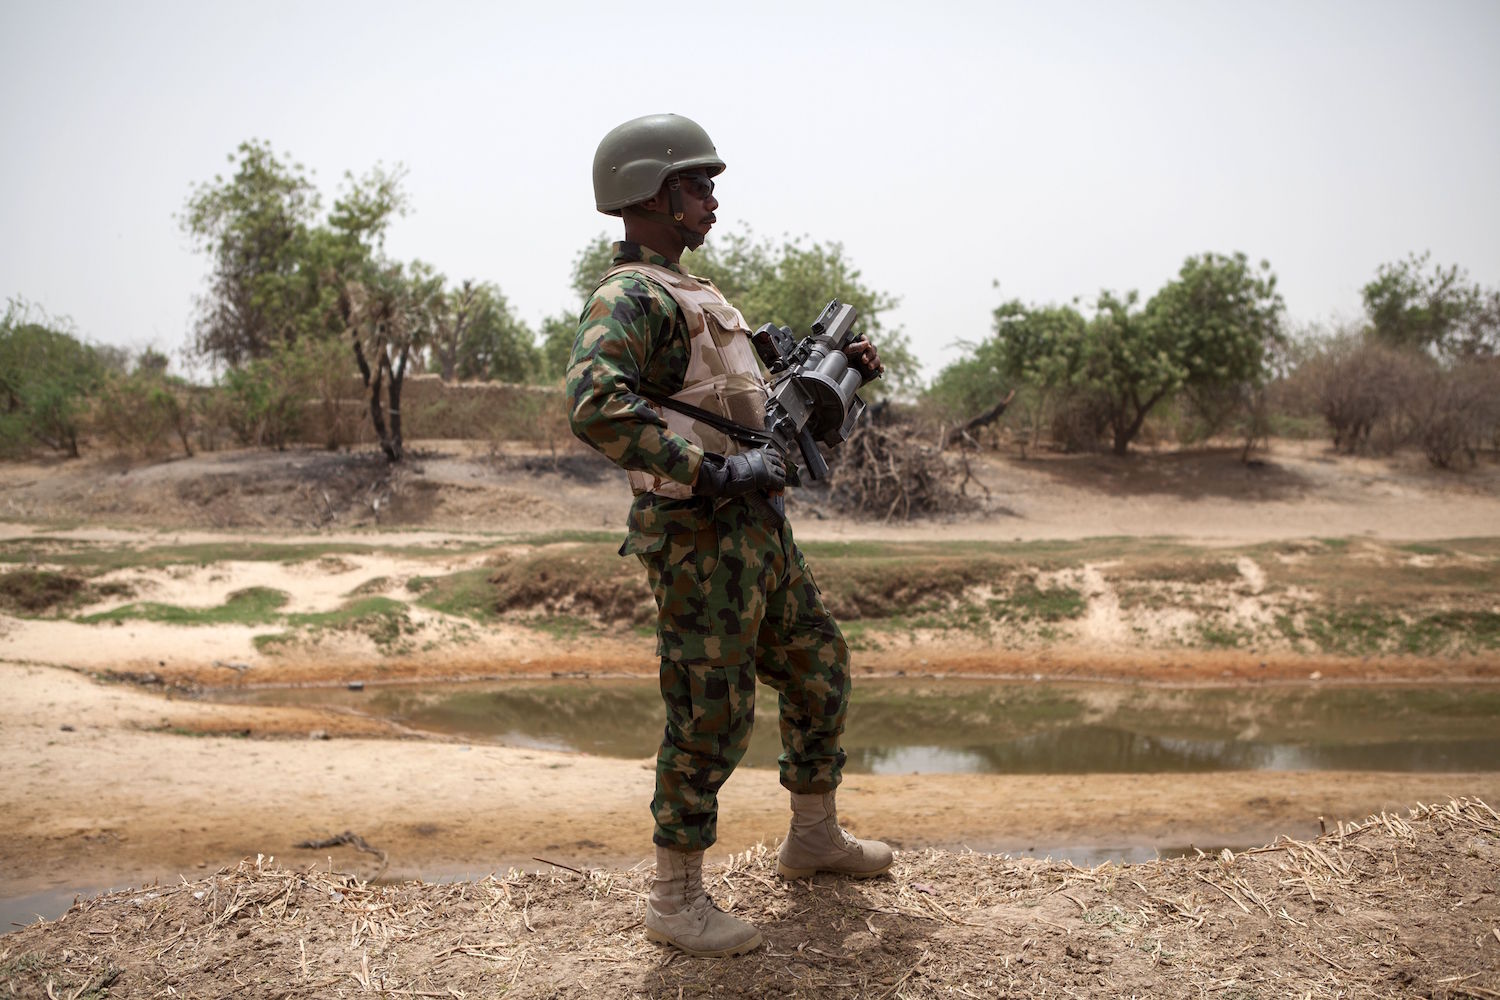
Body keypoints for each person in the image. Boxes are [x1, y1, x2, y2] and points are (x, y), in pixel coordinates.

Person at [566, 113, 892, 959]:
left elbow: (757, 417)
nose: (713, 198)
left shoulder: (699, 295)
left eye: (710, 184)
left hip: (760, 530)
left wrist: (839, 380)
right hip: (698, 534)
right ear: (647, 195)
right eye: (695, 184)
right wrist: (708, 473)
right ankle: (675, 900)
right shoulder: (628, 296)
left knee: (819, 666)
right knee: (710, 712)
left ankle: (814, 838)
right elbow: (597, 406)